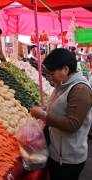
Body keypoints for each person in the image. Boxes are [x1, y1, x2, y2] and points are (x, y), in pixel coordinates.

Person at [30, 48, 92, 180]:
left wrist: (43, 115)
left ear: (65, 69)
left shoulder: (80, 90)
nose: (51, 78)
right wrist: (47, 109)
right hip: (56, 153)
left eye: (52, 74)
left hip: (69, 160)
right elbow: (62, 107)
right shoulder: (62, 84)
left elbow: (73, 124)